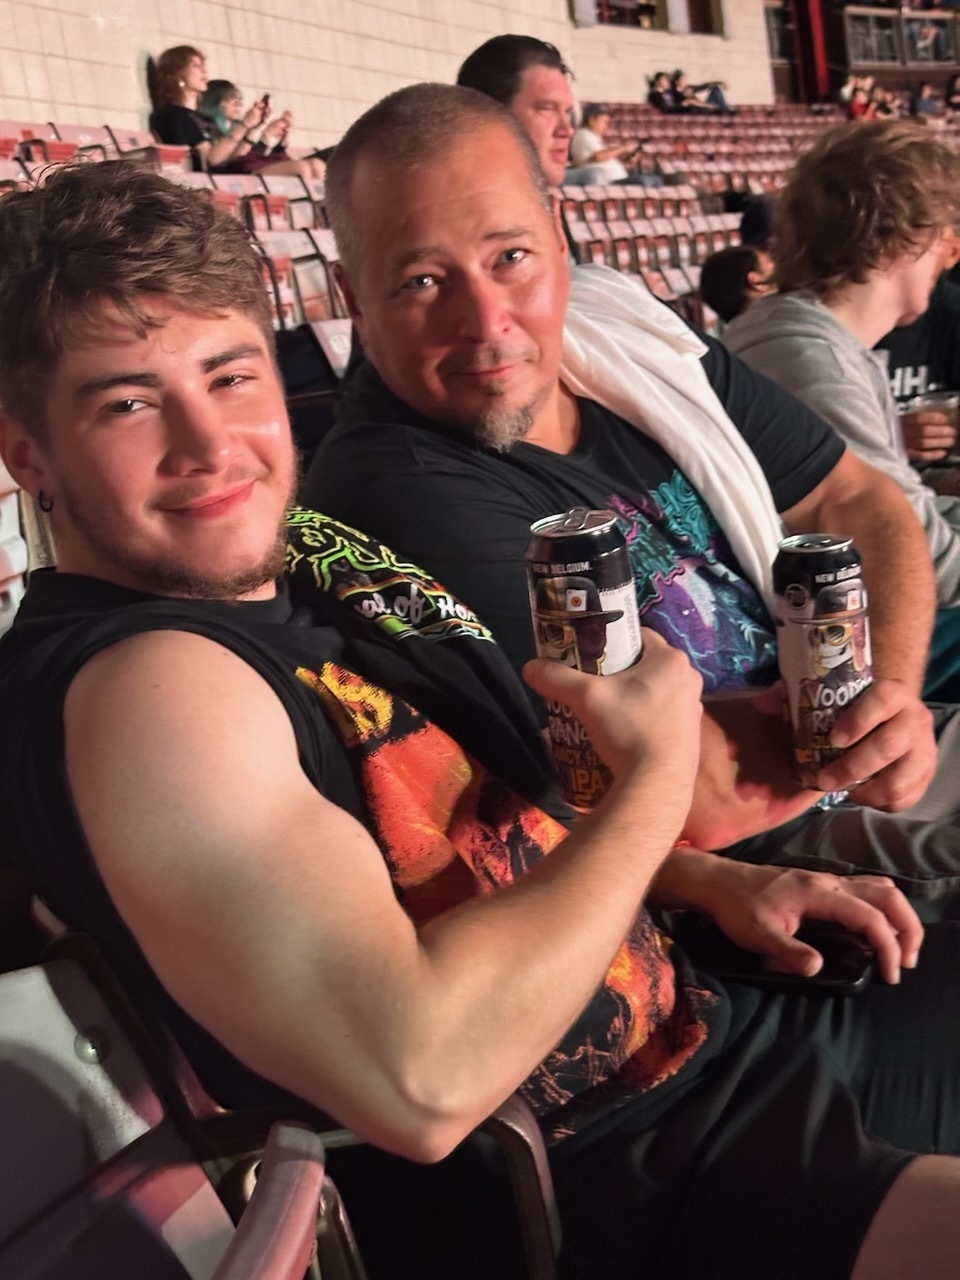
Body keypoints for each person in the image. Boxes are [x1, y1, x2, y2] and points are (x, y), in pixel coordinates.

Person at [8, 156, 960, 1280]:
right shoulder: (150, 690)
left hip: (715, 1022)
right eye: (127, 402)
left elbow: (441, 827)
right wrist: (656, 786)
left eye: (230, 376)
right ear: (26, 451)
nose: (209, 444)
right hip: (635, 1179)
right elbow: (420, 1077)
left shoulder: (303, 554)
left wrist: (700, 879)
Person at [304, 84, 960, 905]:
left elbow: (853, 498)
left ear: (557, 233)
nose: (486, 322)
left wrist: (887, 691)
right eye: (423, 280)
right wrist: (858, 727)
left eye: (511, 257)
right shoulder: (396, 486)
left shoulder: (623, 335)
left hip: (865, 738)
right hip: (766, 847)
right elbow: (692, 792)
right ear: (355, 298)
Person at [723, 119, 960, 639]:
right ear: (905, 237)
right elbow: (925, 563)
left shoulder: (806, 338)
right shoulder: (813, 363)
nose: (950, 254)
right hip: (827, 635)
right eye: (944, 234)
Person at [147, 45, 325, 179]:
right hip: (218, 180)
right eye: (195, 65)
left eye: (203, 65)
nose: (204, 70)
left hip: (233, 173)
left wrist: (254, 125)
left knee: (319, 166)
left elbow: (234, 154)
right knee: (306, 168)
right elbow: (212, 159)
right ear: (178, 74)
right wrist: (244, 125)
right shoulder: (175, 116)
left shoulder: (202, 117)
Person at [698, 244, 776, 324]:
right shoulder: (778, 326)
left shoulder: (741, 330)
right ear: (756, 281)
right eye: (771, 263)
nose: (781, 269)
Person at [568, 103, 638, 184]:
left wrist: (624, 159)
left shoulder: (593, 137)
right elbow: (598, 157)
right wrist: (624, 148)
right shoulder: (583, 135)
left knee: (649, 179)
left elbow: (598, 160)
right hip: (608, 182)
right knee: (646, 181)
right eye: (605, 122)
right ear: (592, 120)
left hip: (614, 180)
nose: (606, 126)